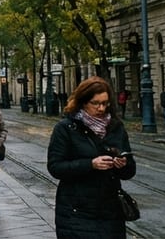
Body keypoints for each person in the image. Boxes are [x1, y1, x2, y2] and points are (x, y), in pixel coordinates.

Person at [47, 76, 136, 238]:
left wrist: (123, 164)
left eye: (105, 103)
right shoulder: (66, 128)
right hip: (76, 211)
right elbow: (55, 167)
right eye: (95, 103)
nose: (101, 108)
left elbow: (130, 171)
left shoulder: (116, 127)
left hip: (110, 211)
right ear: (83, 102)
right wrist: (90, 164)